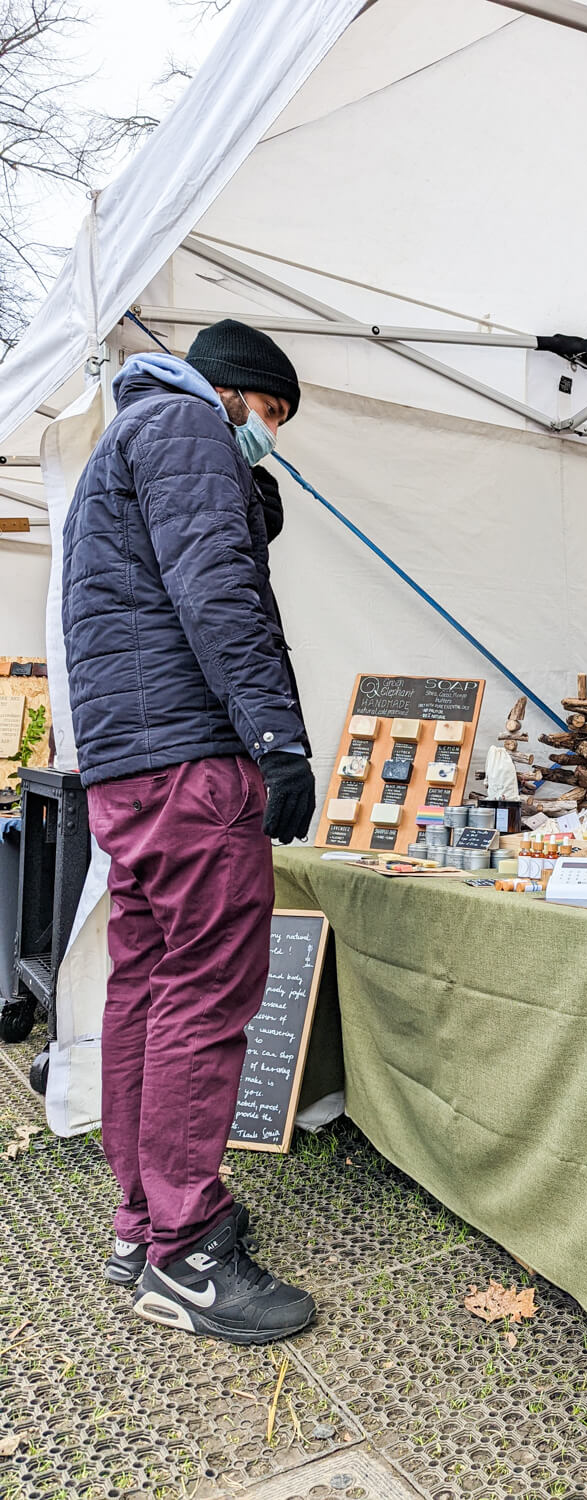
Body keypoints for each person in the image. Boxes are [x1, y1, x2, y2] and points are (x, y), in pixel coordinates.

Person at [61, 319, 318, 1344]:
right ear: (236, 392)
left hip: (130, 768)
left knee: (149, 985)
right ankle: (187, 1251)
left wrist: (248, 500)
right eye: (268, 415)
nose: (268, 436)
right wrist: (277, 742)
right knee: (207, 997)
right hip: (192, 764)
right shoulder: (186, 426)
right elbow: (219, 588)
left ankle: (141, 1223)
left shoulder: (125, 442)